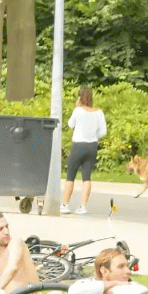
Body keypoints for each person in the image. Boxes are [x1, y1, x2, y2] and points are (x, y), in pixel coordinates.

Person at [61, 85, 106, 214]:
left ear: (80, 98)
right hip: (92, 146)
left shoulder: (78, 111)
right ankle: (82, 206)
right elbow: (103, 131)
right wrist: (93, 136)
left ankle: (65, 205)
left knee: (70, 176)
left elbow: (70, 124)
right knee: (86, 177)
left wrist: (77, 107)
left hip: (78, 146)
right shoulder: (99, 112)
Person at [0, 212, 33, 290]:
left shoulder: (15, 242)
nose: (6, 232)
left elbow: (12, 268)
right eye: (0, 229)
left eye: (7, 227)